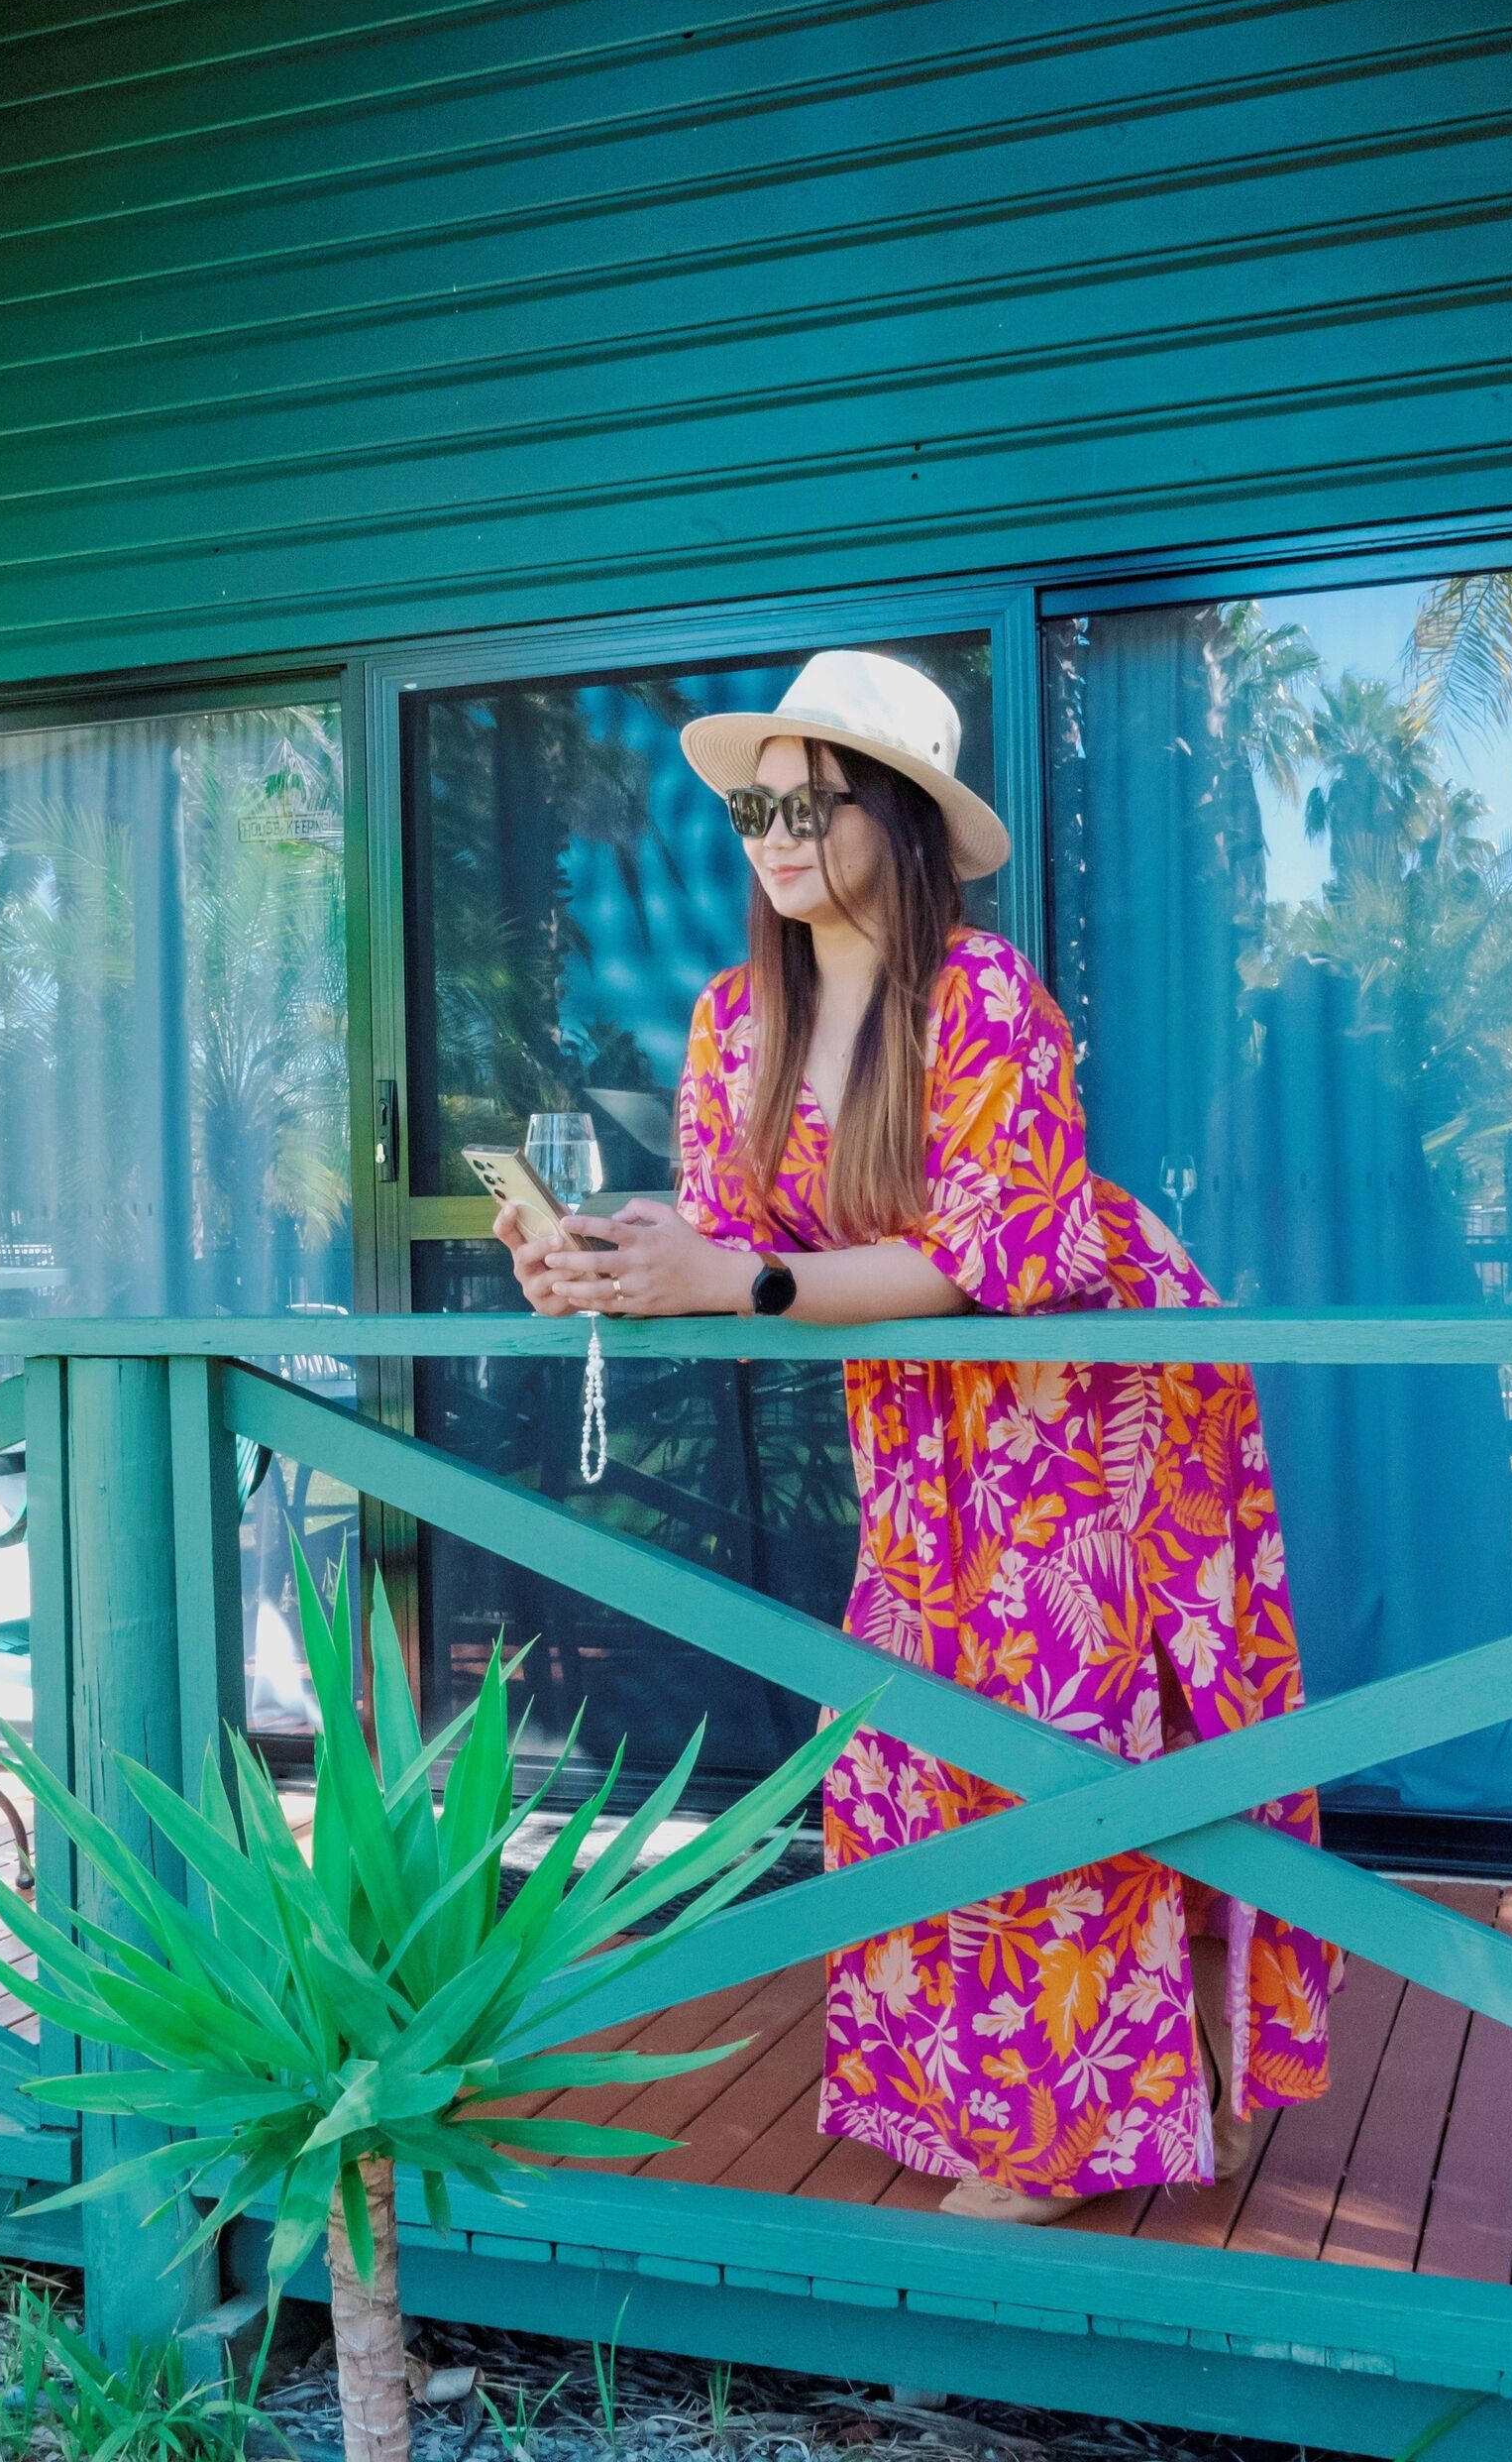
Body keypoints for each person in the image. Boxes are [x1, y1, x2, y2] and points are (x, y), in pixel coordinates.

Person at [490, 649, 1334, 2219]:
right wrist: (605, 1255)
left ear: (897, 814)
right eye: (754, 803)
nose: (775, 829)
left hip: (1084, 1397)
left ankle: (1075, 2123)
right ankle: (1009, 2082)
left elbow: (983, 1257)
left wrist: (731, 1279)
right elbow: (735, 1237)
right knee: (902, 1756)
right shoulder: (732, 1020)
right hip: (919, 1424)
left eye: (810, 800)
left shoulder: (987, 998)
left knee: (1065, 1738)